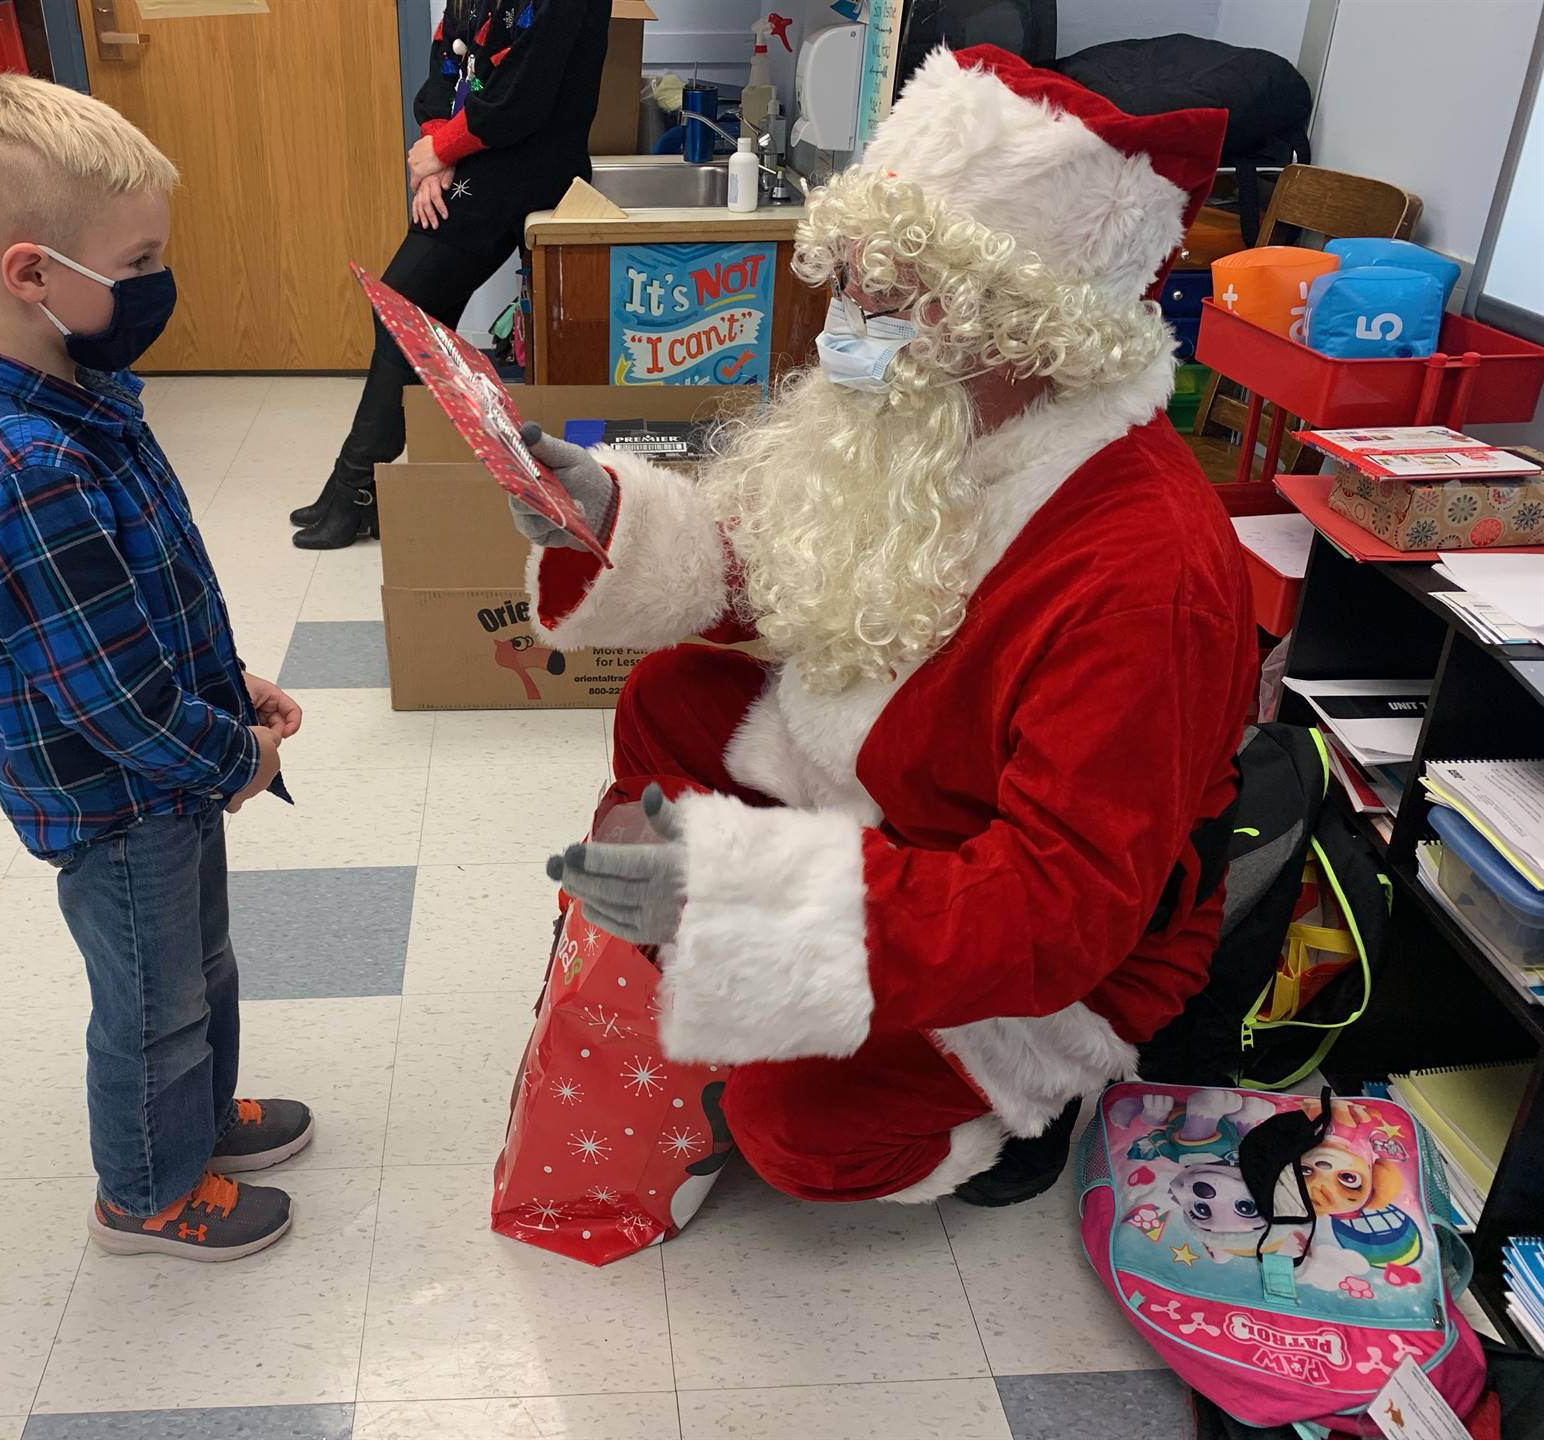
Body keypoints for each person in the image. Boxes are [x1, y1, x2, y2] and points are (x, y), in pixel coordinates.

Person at [530, 46, 1257, 1207]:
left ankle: (1010, 1130)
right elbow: (771, 561)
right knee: (674, 695)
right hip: (905, 790)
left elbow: (1058, 906)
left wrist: (745, 896)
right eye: (851, 277)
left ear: (1023, 328)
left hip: (1059, 932)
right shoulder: (927, 418)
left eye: (890, 293)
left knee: (799, 1131)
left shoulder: (1145, 569)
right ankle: (750, 954)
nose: (842, 325)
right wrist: (608, 513)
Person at [0, 76, 314, 1261]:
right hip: (118, 799)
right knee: (154, 1008)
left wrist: (226, 677)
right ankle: (144, 1193)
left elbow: (136, 602)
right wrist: (229, 751)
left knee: (202, 966)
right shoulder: (34, 465)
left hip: (160, 774)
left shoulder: (80, 399)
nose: (158, 282)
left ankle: (191, 1127)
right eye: (137, 261)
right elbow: (110, 697)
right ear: (32, 274)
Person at [290, 0, 613, 549]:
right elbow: (447, 65)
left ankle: (357, 486)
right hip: (476, 159)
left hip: (526, 166)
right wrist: (437, 154)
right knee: (405, 308)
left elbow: (523, 98)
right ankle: (357, 485)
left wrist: (441, 149)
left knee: (405, 304)